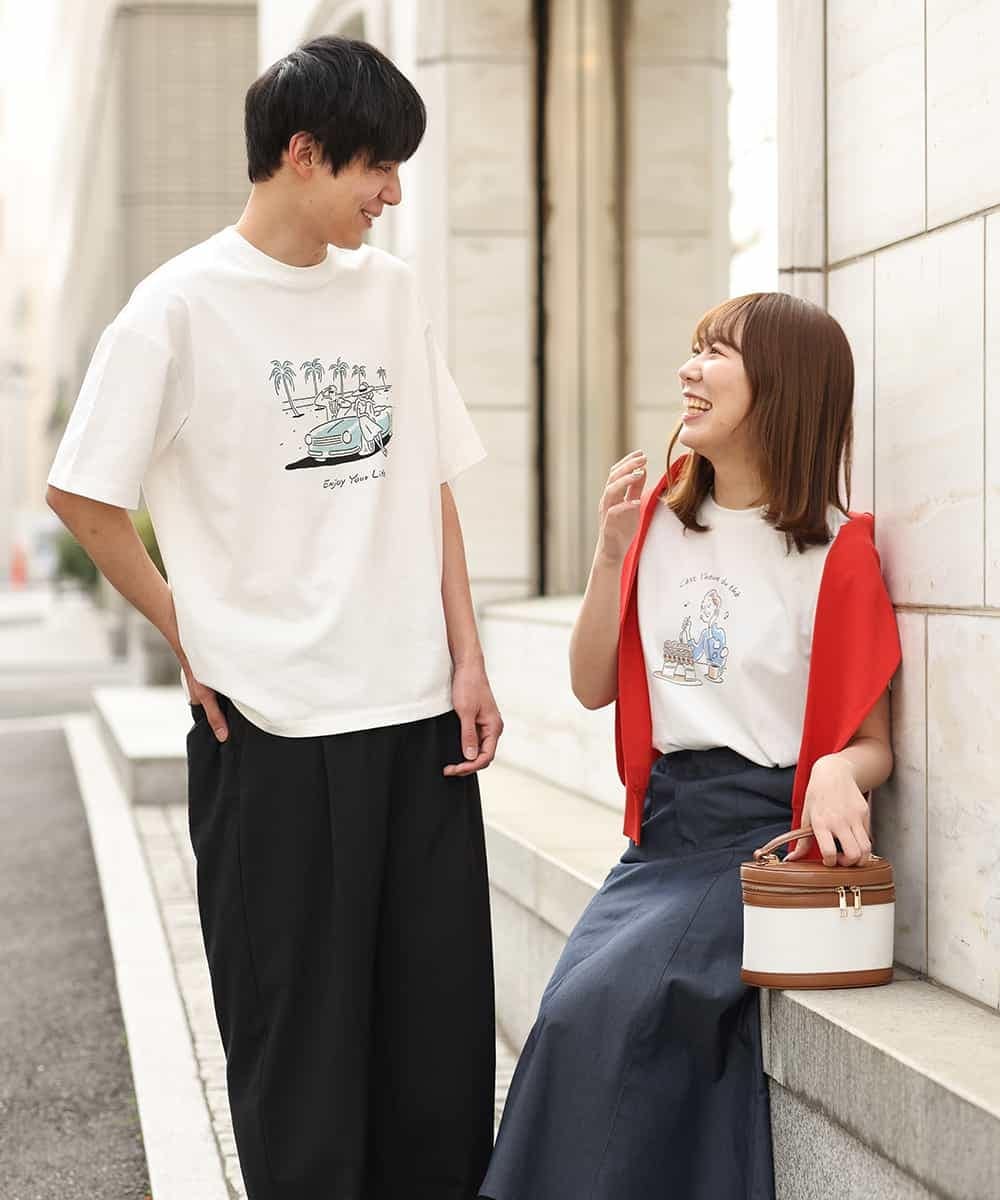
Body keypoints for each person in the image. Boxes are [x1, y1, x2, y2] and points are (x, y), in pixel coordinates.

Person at [46, 35, 502, 1200]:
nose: (390, 194)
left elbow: (428, 480)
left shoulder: (390, 294)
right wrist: (187, 631)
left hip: (418, 722)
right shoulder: (177, 308)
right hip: (274, 731)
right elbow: (83, 496)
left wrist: (468, 658)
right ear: (303, 153)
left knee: (437, 1053)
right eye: (376, 167)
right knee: (299, 1054)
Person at [478, 292, 901, 1199]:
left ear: (783, 386)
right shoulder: (659, 523)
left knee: (607, 1011)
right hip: (661, 837)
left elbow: (875, 742)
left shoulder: (836, 553)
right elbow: (591, 684)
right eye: (694, 347)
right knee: (570, 1013)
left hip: (756, 840)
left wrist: (837, 768)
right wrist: (608, 555)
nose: (688, 369)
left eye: (716, 353)